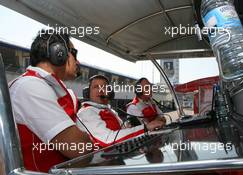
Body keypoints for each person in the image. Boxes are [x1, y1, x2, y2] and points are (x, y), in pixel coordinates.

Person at [9, 30, 93, 172]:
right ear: (58, 52)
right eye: (74, 53)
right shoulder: (30, 86)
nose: (77, 62)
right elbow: (79, 147)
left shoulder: (50, 87)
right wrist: (86, 138)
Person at [77, 75, 165, 148]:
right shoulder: (86, 112)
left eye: (104, 87)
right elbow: (107, 140)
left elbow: (123, 132)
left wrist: (129, 128)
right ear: (88, 93)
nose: (100, 90)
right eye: (96, 87)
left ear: (110, 93)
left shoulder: (110, 111)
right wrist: (145, 127)